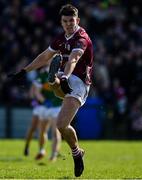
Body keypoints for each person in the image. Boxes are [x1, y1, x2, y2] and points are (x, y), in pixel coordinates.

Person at [9, 4, 93, 177]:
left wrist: (65, 77)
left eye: (72, 20)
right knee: (54, 74)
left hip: (79, 83)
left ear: (77, 20)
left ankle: (77, 153)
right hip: (64, 78)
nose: (69, 24)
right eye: (65, 21)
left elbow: (74, 60)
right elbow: (44, 57)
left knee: (61, 125)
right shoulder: (60, 38)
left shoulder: (82, 37)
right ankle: (54, 79)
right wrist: (24, 71)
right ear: (61, 22)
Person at [24, 68, 62, 162]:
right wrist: (39, 102)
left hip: (56, 107)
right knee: (37, 129)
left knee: (55, 131)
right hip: (41, 107)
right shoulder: (41, 75)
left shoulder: (61, 74)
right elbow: (34, 93)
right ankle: (30, 147)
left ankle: (54, 155)